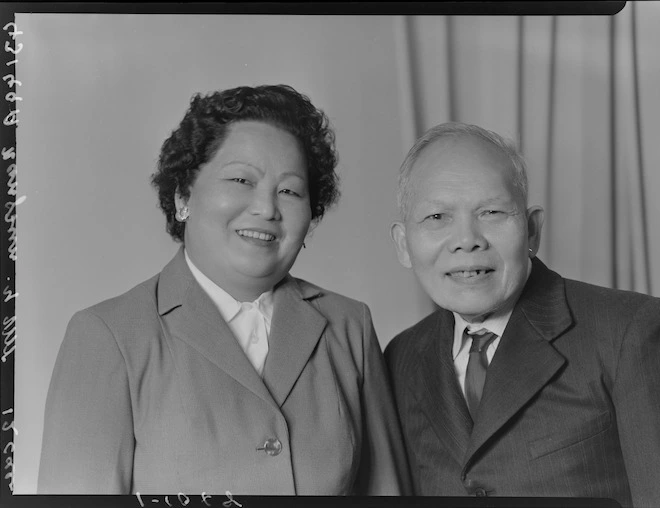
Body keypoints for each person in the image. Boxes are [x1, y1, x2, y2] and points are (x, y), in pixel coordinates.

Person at [38, 85, 411, 495]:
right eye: (240, 179)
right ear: (183, 196)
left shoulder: (348, 325)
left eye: (289, 190)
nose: (267, 208)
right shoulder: (106, 336)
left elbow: (387, 492)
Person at [384, 122, 660, 507]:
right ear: (403, 244)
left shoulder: (627, 331)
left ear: (532, 231)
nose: (467, 240)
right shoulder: (400, 359)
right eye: (436, 218)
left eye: (492, 211)